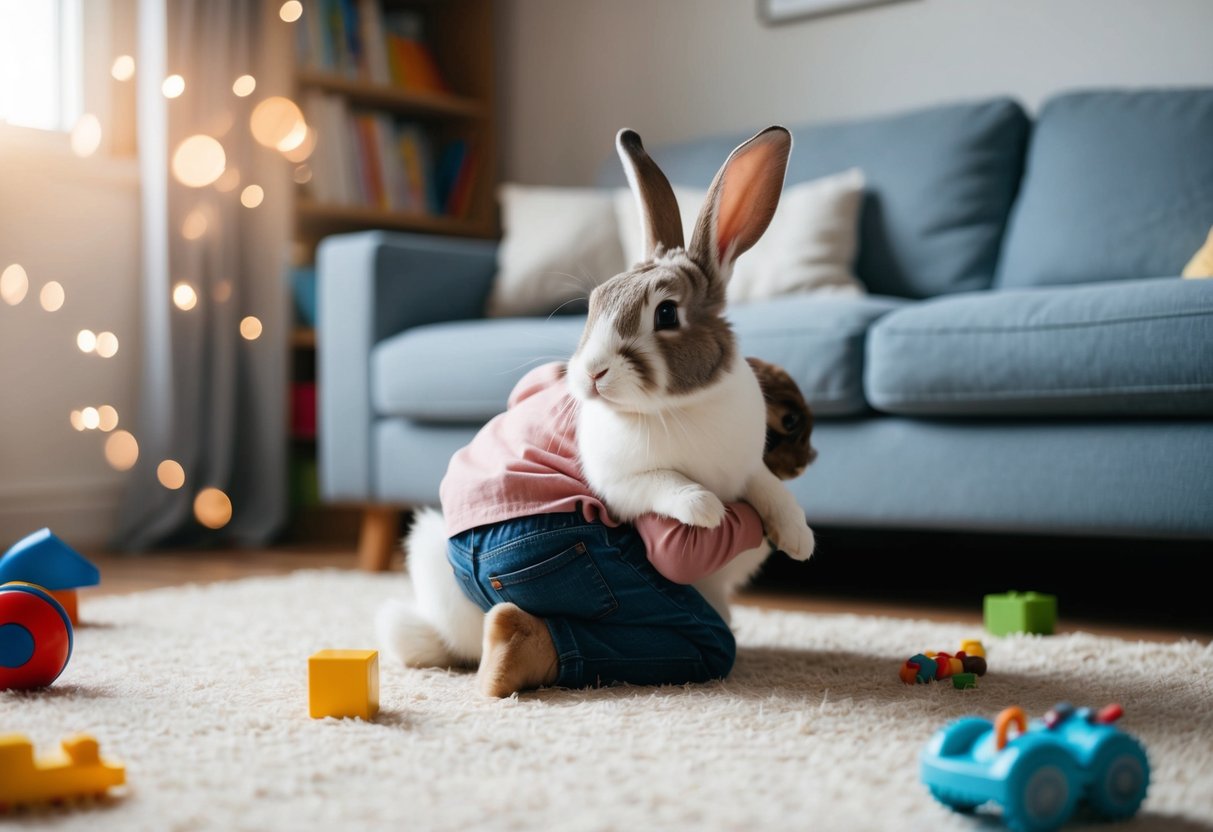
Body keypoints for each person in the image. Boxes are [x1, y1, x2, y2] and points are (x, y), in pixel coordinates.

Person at [440, 362, 767, 697]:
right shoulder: (644, 420)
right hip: (545, 541)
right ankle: (541, 649)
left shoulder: (547, 390)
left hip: (462, 554)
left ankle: (531, 631)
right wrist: (758, 519)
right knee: (710, 644)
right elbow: (677, 555)